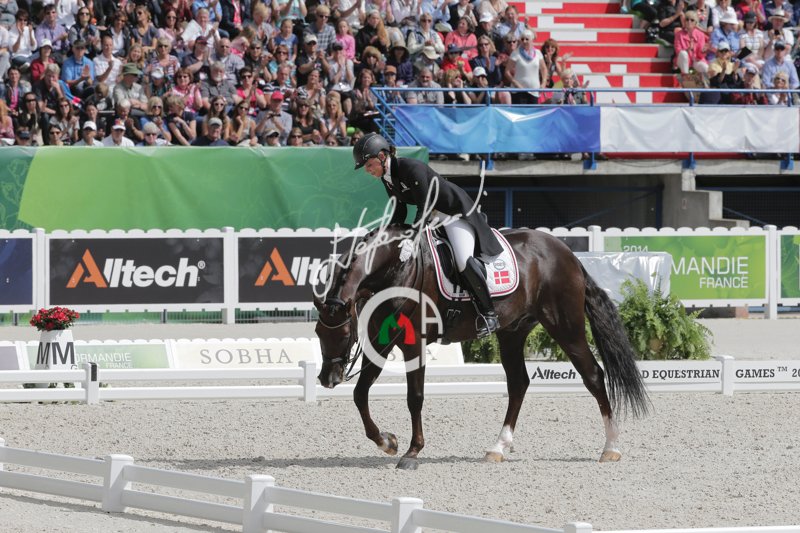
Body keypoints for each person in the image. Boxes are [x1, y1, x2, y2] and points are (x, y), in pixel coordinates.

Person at [352, 132, 503, 337]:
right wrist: (387, 234)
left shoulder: (410, 168)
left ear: (381, 156)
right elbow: (400, 211)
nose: (367, 170)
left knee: (463, 260)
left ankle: (489, 314)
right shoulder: (387, 178)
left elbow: (425, 205)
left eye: (369, 165)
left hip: (453, 214)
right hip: (433, 218)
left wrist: (413, 237)